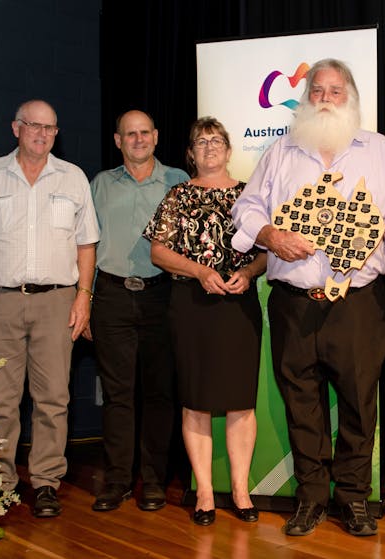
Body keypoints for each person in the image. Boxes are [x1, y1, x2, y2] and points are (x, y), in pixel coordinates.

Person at [231, 58, 385, 537]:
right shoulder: (281, 151)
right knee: (302, 403)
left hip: (359, 303)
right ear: (307, 97)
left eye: (336, 91)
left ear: (351, 97)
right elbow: (247, 209)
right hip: (294, 301)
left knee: (360, 404)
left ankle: (354, 499)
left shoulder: (378, 150)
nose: (325, 98)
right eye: (317, 89)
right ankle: (312, 497)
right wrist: (272, 236)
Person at [0, 99, 99, 517]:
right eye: (33, 126)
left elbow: (86, 243)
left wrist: (84, 296)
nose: (42, 134)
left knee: (53, 398)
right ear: (15, 128)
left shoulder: (73, 178)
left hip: (57, 302)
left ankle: (45, 482)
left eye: (50, 128)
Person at [145, 117, 266, 527]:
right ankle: (205, 493)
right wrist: (199, 272)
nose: (210, 147)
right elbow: (158, 253)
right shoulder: (177, 195)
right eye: (201, 141)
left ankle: (240, 490)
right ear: (191, 154)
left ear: (229, 151)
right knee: (195, 401)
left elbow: (268, 251)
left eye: (217, 141)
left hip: (238, 305)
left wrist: (248, 274)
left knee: (240, 402)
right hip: (191, 306)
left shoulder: (251, 196)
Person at [89, 110, 189, 512]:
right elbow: (84, 246)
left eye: (144, 132)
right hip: (111, 297)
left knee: (159, 393)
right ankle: (116, 481)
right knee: (117, 395)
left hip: (162, 297)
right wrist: (86, 298)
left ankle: (153, 480)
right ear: (118, 140)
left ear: (156, 136)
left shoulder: (178, 181)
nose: (137, 139)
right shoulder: (100, 184)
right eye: (129, 134)